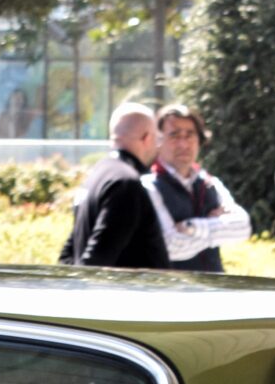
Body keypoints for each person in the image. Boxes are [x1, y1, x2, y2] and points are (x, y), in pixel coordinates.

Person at [60, 101, 168, 270]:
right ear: (147, 138)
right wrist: (82, 282)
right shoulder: (125, 183)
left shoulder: (96, 176)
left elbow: (69, 253)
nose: (158, 145)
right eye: (157, 138)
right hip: (126, 287)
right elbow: (97, 260)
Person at [148, 103, 252, 274]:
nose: (183, 144)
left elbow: (243, 227)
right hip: (171, 286)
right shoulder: (149, 187)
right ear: (158, 141)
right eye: (174, 135)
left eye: (190, 135)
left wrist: (192, 227)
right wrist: (218, 228)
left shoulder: (210, 183)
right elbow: (171, 246)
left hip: (213, 286)